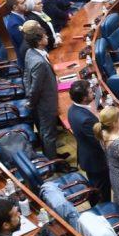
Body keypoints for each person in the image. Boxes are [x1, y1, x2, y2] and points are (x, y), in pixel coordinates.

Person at [67, 80, 109, 203]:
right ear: (84, 98)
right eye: (91, 92)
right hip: (96, 161)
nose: (93, 94)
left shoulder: (72, 109)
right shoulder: (85, 120)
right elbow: (99, 141)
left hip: (86, 155)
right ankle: (104, 214)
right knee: (101, 192)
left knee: (96, 187)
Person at [24, 25, 59, 159]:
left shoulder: (30, 52)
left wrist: (29, 97)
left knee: (45, 131)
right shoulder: (40, 63)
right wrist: (31, 103)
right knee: (49, 133)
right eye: (45, 36)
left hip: (41, 100)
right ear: (39, 41)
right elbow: (35, 88)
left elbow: (26, 76)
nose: (48, 37)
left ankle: (51, 154)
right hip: (46, 102)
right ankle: (52, 162)